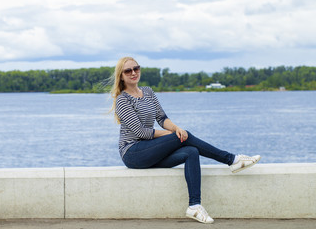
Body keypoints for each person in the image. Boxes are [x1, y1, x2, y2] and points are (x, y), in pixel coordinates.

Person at [110, 56, 261, 224]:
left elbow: (162, 118)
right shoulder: (122, 100)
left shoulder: (148, 92)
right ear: (121, 75)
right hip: (133, 153)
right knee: (183, 137)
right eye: (128, 71)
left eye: (136, 68)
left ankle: (194, 206)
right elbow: (141, 133)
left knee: (191, 151)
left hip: (152, 150)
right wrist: (172, 135)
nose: (133, 73)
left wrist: (176, 129)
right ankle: (232, 159)